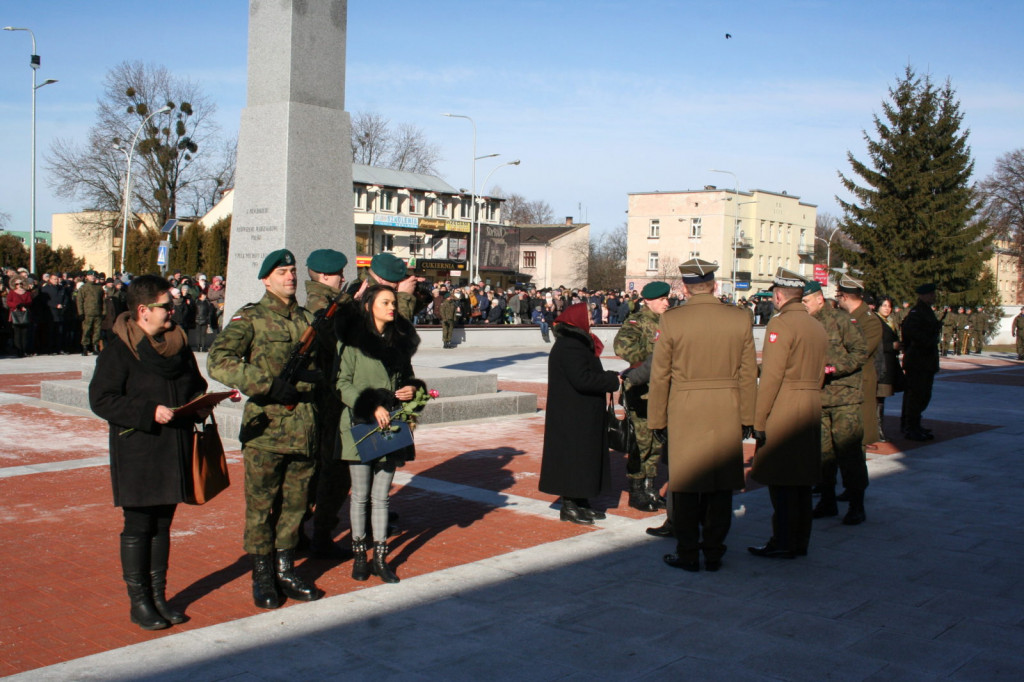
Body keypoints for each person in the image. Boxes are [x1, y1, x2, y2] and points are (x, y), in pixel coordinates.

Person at [88, 275, 209, 630]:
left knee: (163, 524)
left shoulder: (178, 343)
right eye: (166, 306)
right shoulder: (118, 350)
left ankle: (159, 596)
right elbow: (102, 399)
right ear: (143, 311)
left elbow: (195, 383)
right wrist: (148, 411)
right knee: (139, 524)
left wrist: (201, 402)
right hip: (139, 448)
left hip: (173, 445)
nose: (173, 311)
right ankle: (139, 602)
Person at [208, 249, 324, 609]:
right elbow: (218, 361)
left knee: (296, 505)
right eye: (282, 272)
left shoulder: (308, 319)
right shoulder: (251, 317)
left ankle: (286, 569)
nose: (290, 277)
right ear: (266, 279)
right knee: (261, 506)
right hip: (268, 430)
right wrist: (265, 384)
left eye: (292, 271)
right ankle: (262, 575)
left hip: (304, 427)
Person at [648, 259, 757, 572]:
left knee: (684, 485)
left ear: (685, 288)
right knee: (720, 487)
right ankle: (713, 551)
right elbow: (749, 373)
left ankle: (688, 552)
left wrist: (657, 420)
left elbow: (660, 376)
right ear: (715, 285)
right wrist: (748, 417)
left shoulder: (672, 321)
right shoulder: (739, 318)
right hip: (727, 407)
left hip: (685, 408)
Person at [336, 284, 423, 584]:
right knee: (360, 496)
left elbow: (409, 378)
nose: (392, 307)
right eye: (385, 302)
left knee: (381, 497)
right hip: (361, 426)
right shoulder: (353, 342)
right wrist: (370, 405)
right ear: (370, 305)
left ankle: (381, 558)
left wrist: (412, 389)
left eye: (394, 302)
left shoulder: (399, 341)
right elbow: (342, 383)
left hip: (392, 427)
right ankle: (360, 555)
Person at [748, 269, 828, 559]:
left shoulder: (780, 324)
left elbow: (771, 376)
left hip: (784, 406)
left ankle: (782, 540)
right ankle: (799, 541)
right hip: (810, 404)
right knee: (802, 482)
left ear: (778, 296)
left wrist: (759, 419)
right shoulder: (815, 325)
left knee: (781, 481)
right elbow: (820, 375)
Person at [539, 302, 621, 524]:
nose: (593, 320)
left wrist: (611, 376)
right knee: (573, 459)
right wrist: (612, 381)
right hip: (573, 414)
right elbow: (582, 379)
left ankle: (582, 501)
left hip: (582, 413)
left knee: (584, 458)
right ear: (578, 320)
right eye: (589, 316)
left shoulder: (577, 343)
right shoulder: (570, 345)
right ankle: (570, 506)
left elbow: (587, 373)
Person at [803, 280, 869, 525]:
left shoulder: (841, 320)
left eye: (806, 301)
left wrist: (835, 369)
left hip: (844, 398)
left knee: (849, 453)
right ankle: (827, 500)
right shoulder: (805, 324)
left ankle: (856, 504)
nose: (803, 305)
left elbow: (860, 352)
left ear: (819, 298)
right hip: (818, 398)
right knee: (823, 455)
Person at [303, 248, 354, 559]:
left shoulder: (319, 305)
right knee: (332, 474)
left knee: (313, 473)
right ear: (324, 277)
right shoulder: (327, 307)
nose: (342, 278)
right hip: (329, 400)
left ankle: (298, 532)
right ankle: (321, 536)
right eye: (338, 274)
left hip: (320, 400)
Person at [613, 281, 671, 512]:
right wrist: (654, 356)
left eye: (667, 299)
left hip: (661, 391)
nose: (666, 303)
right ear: (647, 300)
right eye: (661, 299)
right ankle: (637, 492)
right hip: (641, 392)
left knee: (657, 443)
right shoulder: (637, 322)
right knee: (642, 443)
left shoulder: (668, 321)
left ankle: (650, 488)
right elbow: (622, 347)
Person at [900, 283, 942, 441]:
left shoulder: (926, 311)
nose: (933, 297)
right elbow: (912, 333)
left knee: (923, 395)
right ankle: (910, 426)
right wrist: (929, 339)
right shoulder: (917, 312)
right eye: (931, 294)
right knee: (916, 396)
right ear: (923, 296)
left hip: (925, 361)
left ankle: (915, 424)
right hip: (918, 361)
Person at [874, 296, 903, 442]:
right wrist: (891, 346)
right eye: (884, 305)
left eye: (889, 306)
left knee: (881, 399)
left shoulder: (890, 322)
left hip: (889, 364)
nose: (887, 308)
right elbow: (875, 345)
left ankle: (879, 428)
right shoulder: (876, 321)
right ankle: (877, 429)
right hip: (880, 365)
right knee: (878, 398)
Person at [78, 271, 105, 356]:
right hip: (87, 313)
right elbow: (79, 301)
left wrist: (104, 312)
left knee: (97, 331)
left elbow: (103, 301)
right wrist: (81, 313)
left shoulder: (99, 288)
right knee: (86, 330)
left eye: (94, 276)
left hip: (98, 313)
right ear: (87, 277)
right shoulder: (83, 288)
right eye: (91, 276)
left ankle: (95, 347)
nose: (93, 277)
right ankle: (85, 347)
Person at [6, 277, 33, 358]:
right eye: (17, 284)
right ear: (14, 285)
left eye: (20, 284)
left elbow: (30, 301)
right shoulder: (12, 292)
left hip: (24, 313)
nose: (19, 285)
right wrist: (16, 306)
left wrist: (24, 305)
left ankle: (24, 350)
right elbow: (8, 302)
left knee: (25, 333)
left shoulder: (27, 293)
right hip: (15, 313)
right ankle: (18, 351)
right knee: (17, 333)